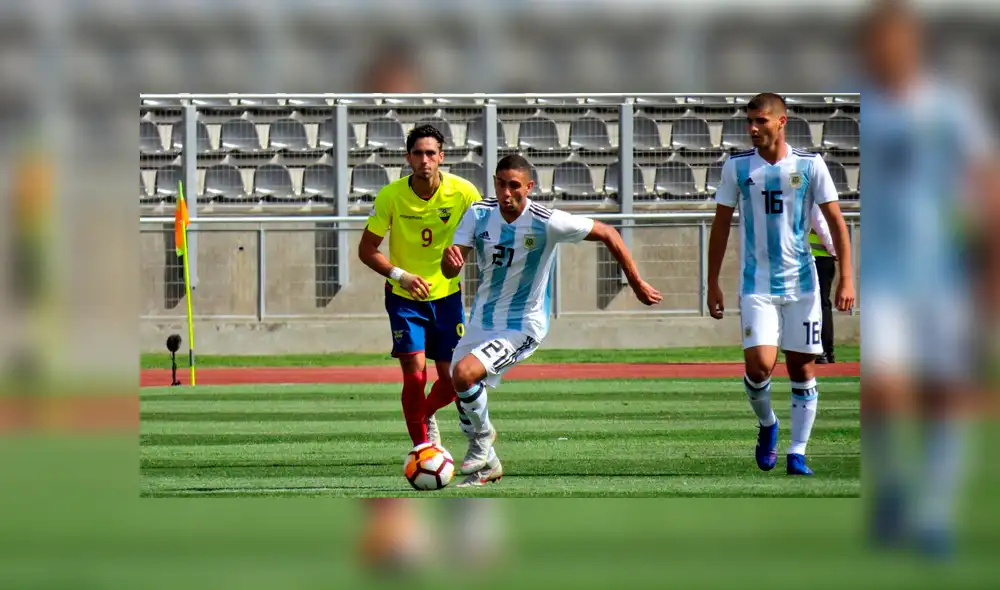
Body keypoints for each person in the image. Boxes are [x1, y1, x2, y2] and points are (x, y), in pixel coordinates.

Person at [856, 0, 999, 558]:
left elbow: (985, 181)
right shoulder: (860, 102)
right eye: (878, 42)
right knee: (883, 391)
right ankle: (892, 483)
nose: (887, 51)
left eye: (896, 40)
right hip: (885, 275)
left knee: (945, 394)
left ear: (913, 44)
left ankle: (935, 515)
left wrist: (989, 266)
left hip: (941, 272)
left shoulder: (950, 107)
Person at [441, 154, 662, 486]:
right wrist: (450, 261)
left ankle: (483, 439)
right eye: (500, 184)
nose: (506, 192)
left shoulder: (546, 221)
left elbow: (608, 233)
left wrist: (636, 282)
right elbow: (450, 268)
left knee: (464, 374)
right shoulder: (479, 214)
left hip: (522, 325)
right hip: (481, 322)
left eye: (514, 186)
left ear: (529, 187)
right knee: (460, 386)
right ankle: (490, 466)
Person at [706, 92, 855, 477]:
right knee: (759, 367)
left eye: (761, 121)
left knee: (802, 368)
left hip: (803, 285)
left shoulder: (810, 165)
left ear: (782, 121)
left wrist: (846, 278)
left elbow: (837, 224)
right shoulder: (737, 168)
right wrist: (712, 282)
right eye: (749, 122)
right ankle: (769, 424)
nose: (753, 128)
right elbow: (721, 225)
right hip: (756, 284)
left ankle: (798, 452)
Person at [358, 124, 483, 448]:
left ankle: (424, 415)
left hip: (447, 297)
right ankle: (422, 449)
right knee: (414, 375)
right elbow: (366, 250)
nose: (424, 160)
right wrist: (402, 276)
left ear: (441, 157)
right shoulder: (391, 195)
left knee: (453, 379)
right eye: (418, 153)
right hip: (404, 298)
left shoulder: (465, 192)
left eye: (431, 153)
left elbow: (486, 234)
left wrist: (464, 257)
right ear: (407, 158)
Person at [809, 204, 839, 364]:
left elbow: (820, 224)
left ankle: (822, 350)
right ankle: (826, 350)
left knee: (818, 304)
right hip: (822, 256)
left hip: (817, 257)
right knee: (822, 304)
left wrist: (834, 250)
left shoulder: (813, 196)